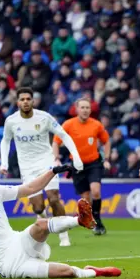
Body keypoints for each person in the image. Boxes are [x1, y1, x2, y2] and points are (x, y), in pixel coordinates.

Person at [0, 164, 121, 279]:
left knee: (40, 225)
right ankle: (92, 272)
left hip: (17, 241)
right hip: (7, 266)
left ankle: (80, 220)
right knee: (68, 273)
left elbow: (30, 188)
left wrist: (53, 171)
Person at [0, 87, 84, 247]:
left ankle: (63, 235)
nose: (25, 102)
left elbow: (64, 135)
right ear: (18, 102)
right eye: (22, 99)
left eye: (28, 99)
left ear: (33, 101)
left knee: (54, 198)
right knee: (38, 205)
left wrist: (77, 157)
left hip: (46, 162)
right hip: (27, 167)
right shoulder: (11, 121)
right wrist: (4, 163)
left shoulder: (44, 117)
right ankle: (41, 215)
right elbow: (5, 141)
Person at [52, 98, 111, 236]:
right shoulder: (68, 124)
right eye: (82, 107)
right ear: (76, 109)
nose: (85, 110)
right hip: (77, 165)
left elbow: (106, 141)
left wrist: (107, 159)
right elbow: (56, 142)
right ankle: (90, 220)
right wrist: (56, 158)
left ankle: (98, 220)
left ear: (91, 110)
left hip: (94, 163)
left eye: (87, 108)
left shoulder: (96, 125)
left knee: (95, 191)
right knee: (86, 198)